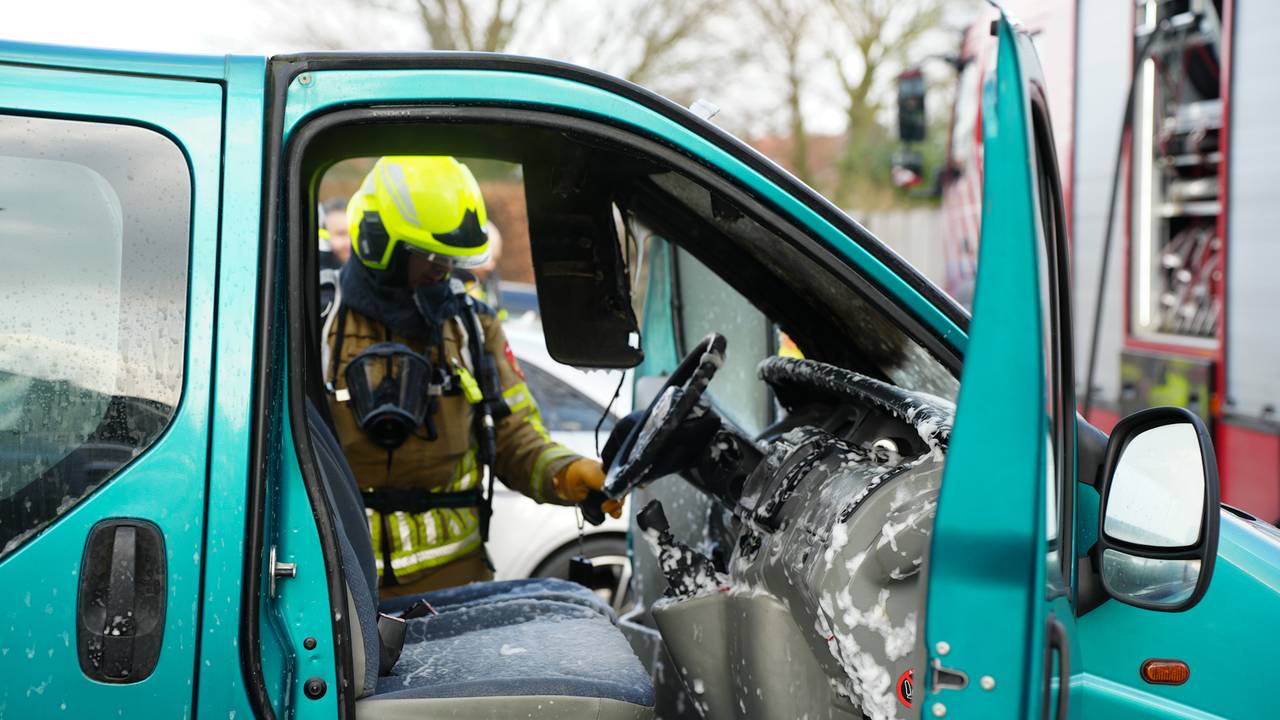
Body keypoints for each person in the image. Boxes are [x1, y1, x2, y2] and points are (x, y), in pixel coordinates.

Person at [324, 156, 622, 597]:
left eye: (449, 258)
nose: (444, 270)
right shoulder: (316, 322)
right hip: (334, 593)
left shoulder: (472, 325)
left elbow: (516, 437)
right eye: (429, 256)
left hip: (454, 596)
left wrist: (566, 472)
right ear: (379, 243)